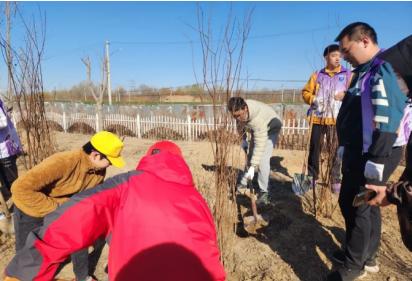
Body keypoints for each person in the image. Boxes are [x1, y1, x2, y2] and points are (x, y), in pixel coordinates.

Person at [4, 140, 226, 281]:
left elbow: (73, 220)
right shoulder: (198, 201)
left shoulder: (126, 184)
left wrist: (24, 271)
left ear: (147, 159)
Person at [327, 23, 407, 281]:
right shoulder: (362, 72)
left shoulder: (381, 70)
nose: (343, 55)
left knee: (358, 204)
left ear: (364, 41)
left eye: (346, 49)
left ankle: (355, 264)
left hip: (376, 152)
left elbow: (387, 120)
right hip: (358, 150)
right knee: (363, 205)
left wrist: (375, 166)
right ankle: (366, 255)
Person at [10, 131, 125, 281]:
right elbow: (19, 189)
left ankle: (82, 277)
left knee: (81, 237)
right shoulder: (63, 162)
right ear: (96, 155)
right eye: (109, 161)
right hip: (30, 209)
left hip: (63, 210)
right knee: (29, 254)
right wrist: (59, 209)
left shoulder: (98, 171)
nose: (110, 165)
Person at [301, 44, 351, 191]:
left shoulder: (347, 74)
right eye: (334, 55)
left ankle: (334, 179)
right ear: (326, 57)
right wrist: (313, 99)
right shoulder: (317, 75)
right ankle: (312, 177)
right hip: (317, 118)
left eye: (339, 55)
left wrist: (345, 95)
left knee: (335, 149)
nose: (338, 58)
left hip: (337, 119)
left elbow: (356, 92)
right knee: (315, 148)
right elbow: (305, 92)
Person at [0, 98, 22, 205]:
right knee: (4, 181)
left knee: (12, 181)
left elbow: (2, 122)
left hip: (5, 148)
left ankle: (20, 204)